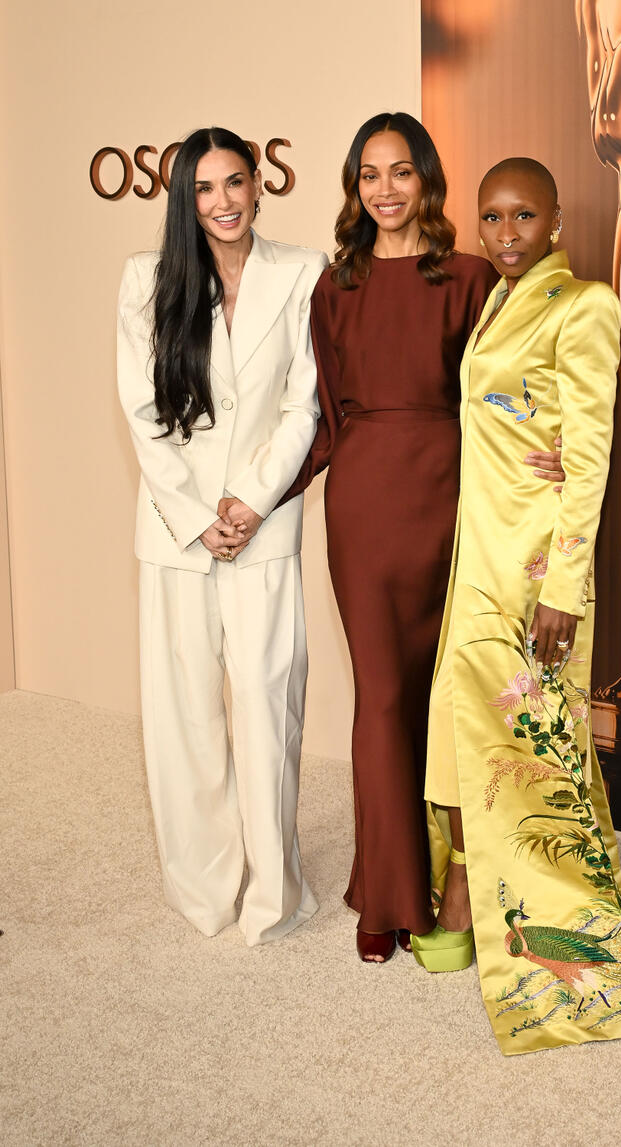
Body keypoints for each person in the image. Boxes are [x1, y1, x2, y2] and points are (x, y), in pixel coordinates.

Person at [277, 114, 564, 963]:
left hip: (456, 499)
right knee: (383, 697)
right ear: (354, 188)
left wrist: (547, 445)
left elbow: (508, 383)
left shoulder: (473, 276)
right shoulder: (335, 287)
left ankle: (469, 877)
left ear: (427, 181)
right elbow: (323, 412)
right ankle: (388, 891)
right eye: (370, 174)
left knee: (457, 692)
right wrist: (267, 499)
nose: (386, 189)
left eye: (401, 172)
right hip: (364, 503)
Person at [412, 158, 621, 1055]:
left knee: (530, 751)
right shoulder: (497, 303)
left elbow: (590, 456)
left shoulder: (583, 303)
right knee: (462, 731)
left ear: (555, 221)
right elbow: (507, 410)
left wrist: (565, 590)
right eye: (492, 218)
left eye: (523, 217)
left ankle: (560, 961)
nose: (505, 233)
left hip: (534, 568)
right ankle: (465, 885)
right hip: (481, 553)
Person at [117, 126, 327, 945]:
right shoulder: (145, 280)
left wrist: (249, 500)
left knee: (268, 707)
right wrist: (202, 515)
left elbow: (304, 402)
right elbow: (142, 412)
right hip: (176, 533)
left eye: (235, 182)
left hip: (263, 527)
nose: (224, 202)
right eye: (205, 189)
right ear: (185, 199)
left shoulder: (301, 271)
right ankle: (203, 888)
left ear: (258, 185)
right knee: (185, 717)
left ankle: (275, 894)